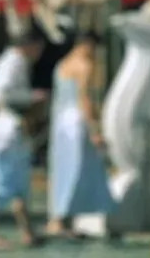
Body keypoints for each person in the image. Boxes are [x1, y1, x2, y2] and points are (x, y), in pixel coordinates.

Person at [0, 29, 47, 250]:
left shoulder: (17, 62)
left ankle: (27, 231)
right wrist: (33, 97)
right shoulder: (12, 62)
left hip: (15, 127)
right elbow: (5, 95)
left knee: (20, 180)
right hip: (7, 127)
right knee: (3, 178)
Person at [46, 30, 113, 238]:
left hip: (60, 121)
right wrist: (95, 129)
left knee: (62, 168)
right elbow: (85, 98)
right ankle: (63, 217)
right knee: (77, 169)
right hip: (76, 121)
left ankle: (60, 218)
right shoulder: (85, 65)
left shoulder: (62, 64)